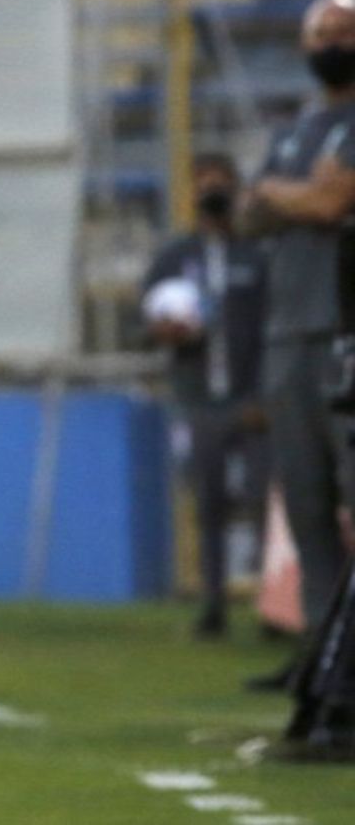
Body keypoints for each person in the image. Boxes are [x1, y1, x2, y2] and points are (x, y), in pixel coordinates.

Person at [240, 0, 355, 689]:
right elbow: (253, 211)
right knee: (307, 501)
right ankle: (322, 656)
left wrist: (289, 197)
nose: (330, 43)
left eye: (342, 30)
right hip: (289, 335)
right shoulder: (294, 133)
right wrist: (295, 196)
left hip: (346, 331)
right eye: (320, 33)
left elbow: (329, 202)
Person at [138, 154, 269, 640]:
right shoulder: (174, 258)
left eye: (221, 187)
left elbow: (273, 327)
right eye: (204, 187)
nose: (213, 196)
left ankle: (272, 608)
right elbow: (146, 321)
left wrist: (265, 393)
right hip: (198, 400)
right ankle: (213, 607)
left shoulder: (256, 256)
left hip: (251, 401)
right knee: (208, 503)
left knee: (262, 503)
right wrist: (164, 329)